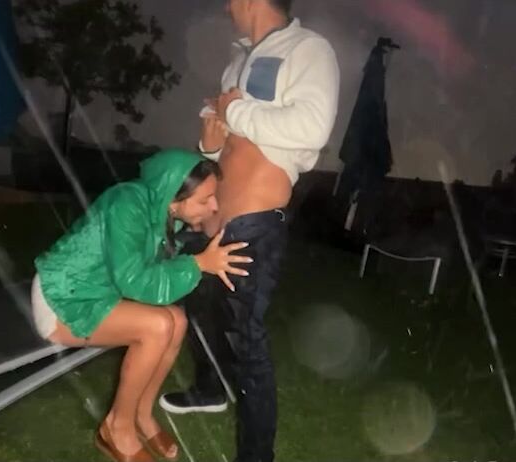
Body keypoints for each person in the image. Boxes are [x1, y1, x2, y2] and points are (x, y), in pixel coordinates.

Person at [159, 1, 340, 461]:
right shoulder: (238, 60)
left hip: (255, 222)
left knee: (246, 339)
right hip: (214, 220)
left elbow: (312, 128)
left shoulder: (308, 49)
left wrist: (235, 110)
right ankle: (208, 389)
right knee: (197, 305)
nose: (225, 5)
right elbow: (225, 147)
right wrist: (210, 144)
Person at [31, 149, 252, 462]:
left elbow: (148, 277)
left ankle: (142, 416)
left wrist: (199, 255)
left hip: (96, 293)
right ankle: (117, 428)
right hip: (62, 298)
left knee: (176, 321)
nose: (214, 206)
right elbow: (135, 282)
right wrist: (198, 264)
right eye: (205, 199)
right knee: (157, 327)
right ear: (174, 197)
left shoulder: (161, 213)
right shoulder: (127, 203)